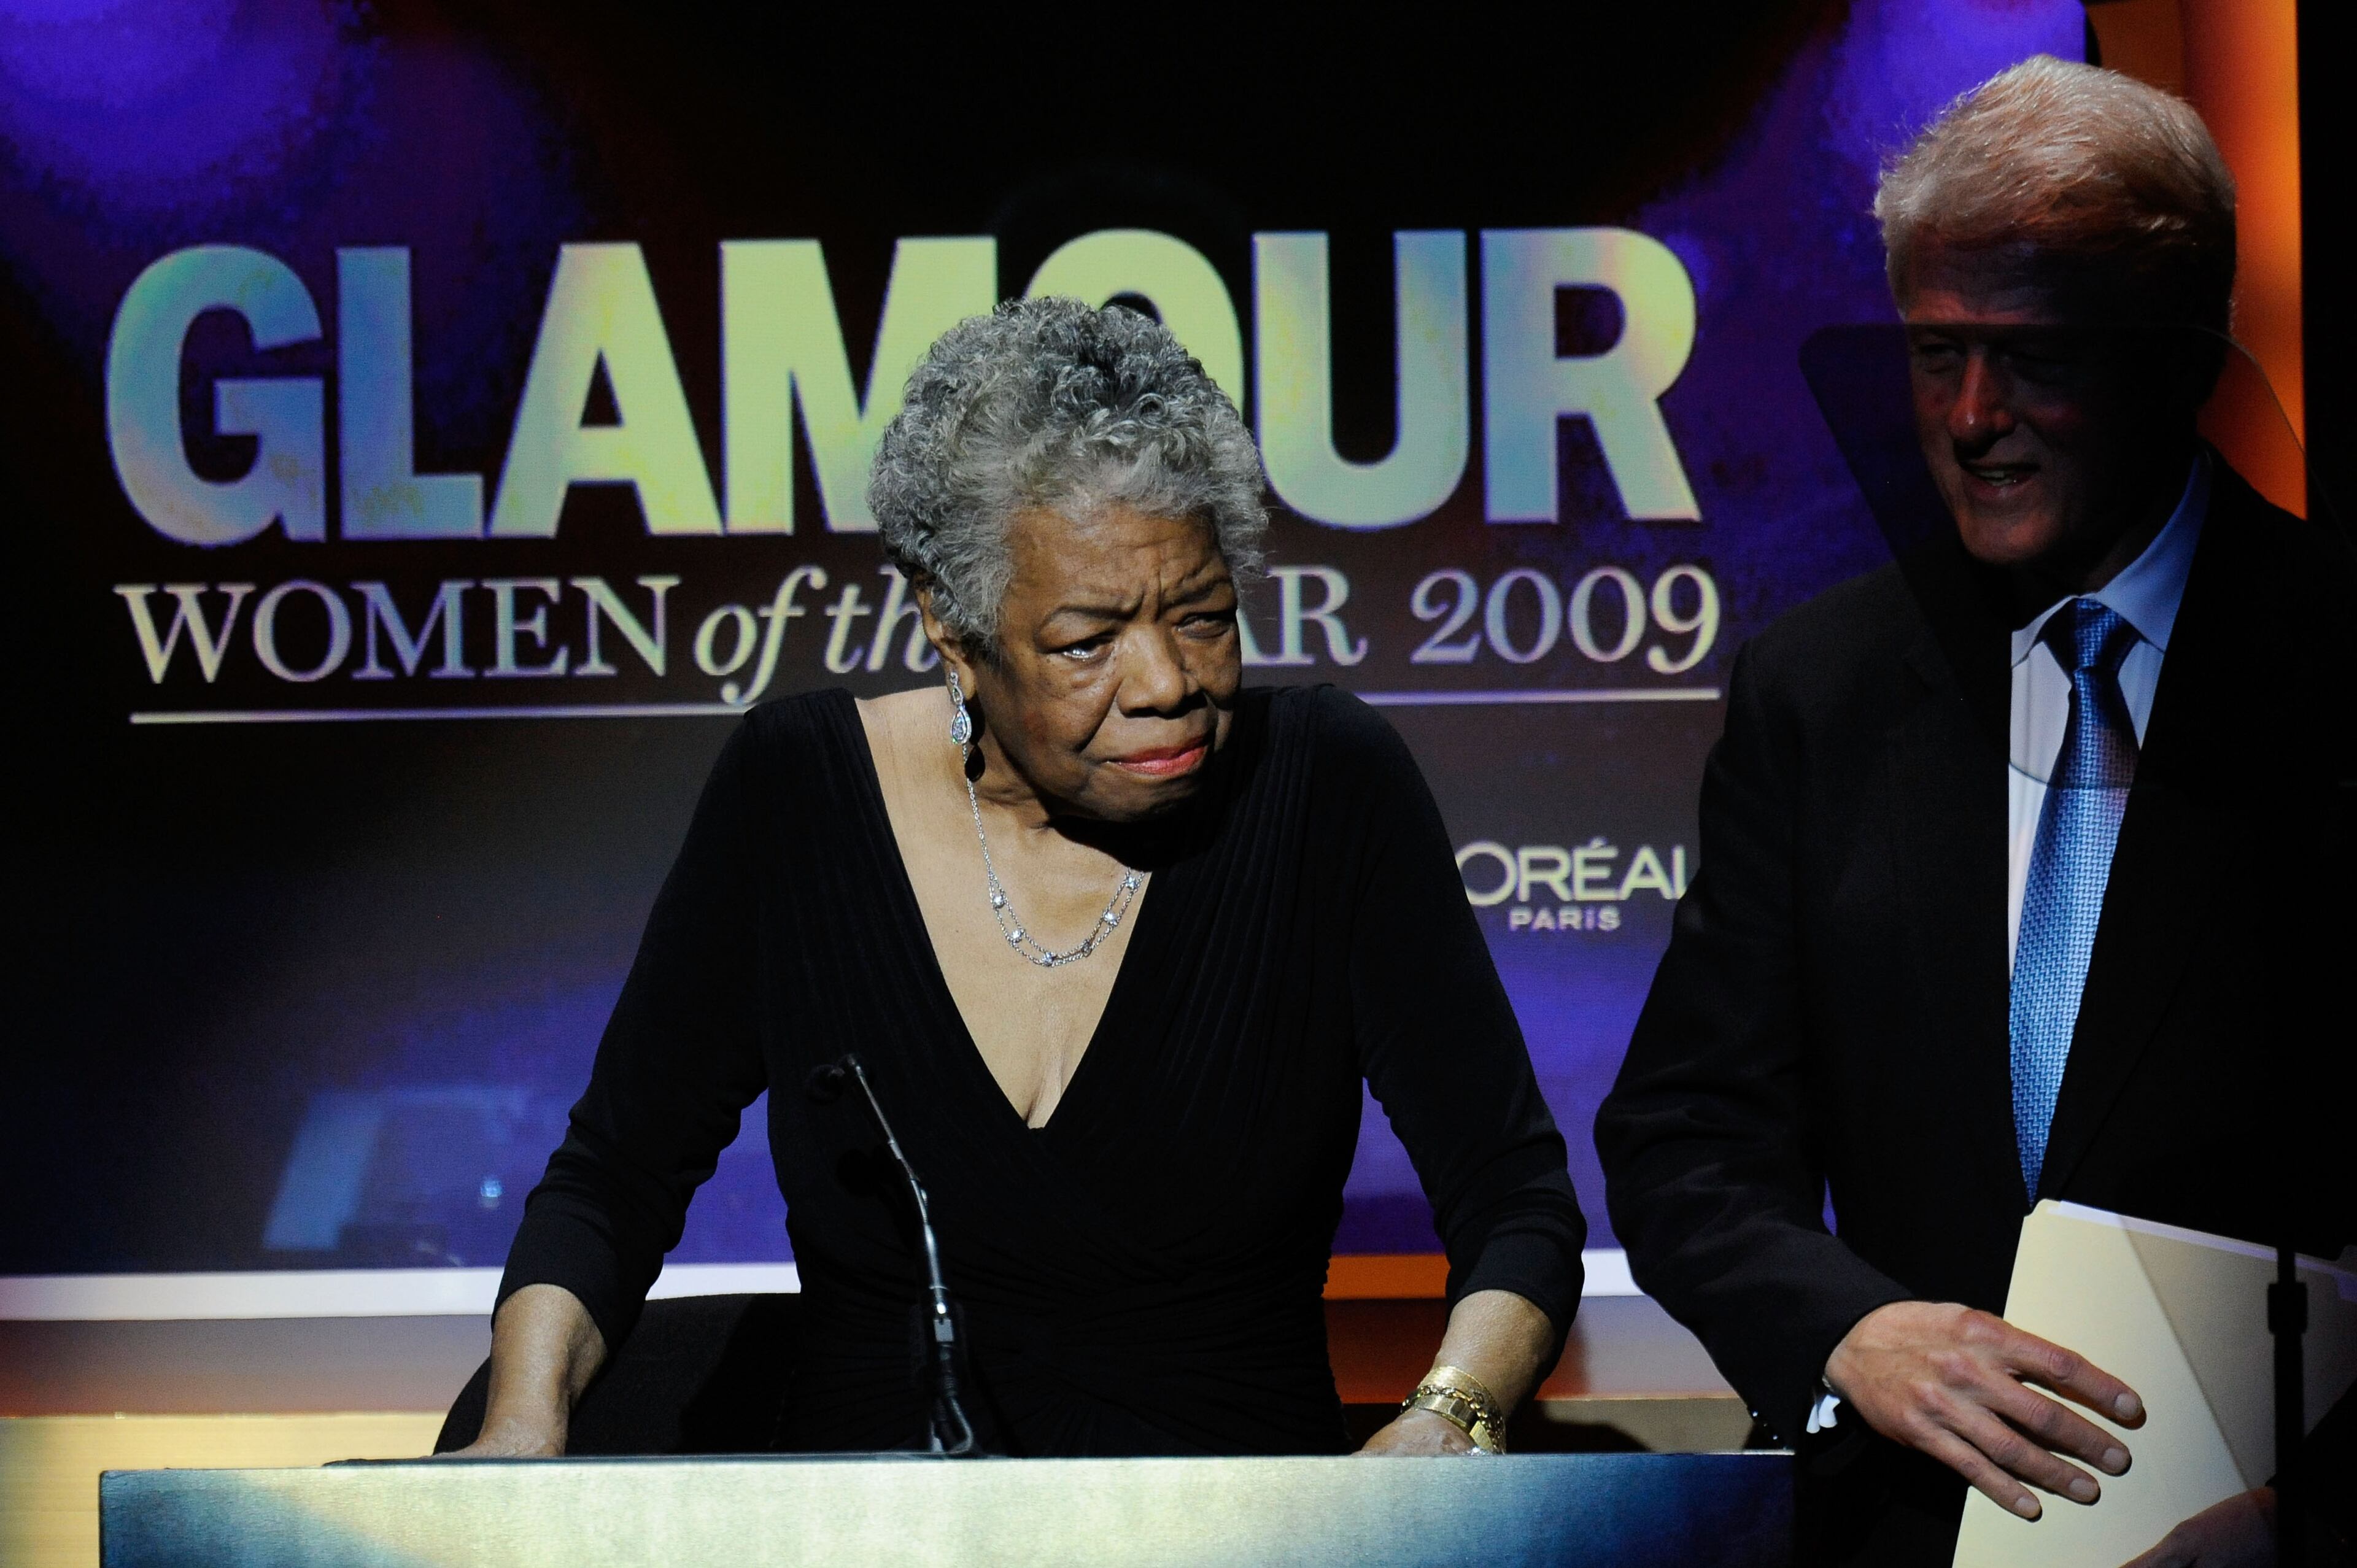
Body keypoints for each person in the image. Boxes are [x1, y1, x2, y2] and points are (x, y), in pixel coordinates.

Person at [454, 298, 1587, 1461]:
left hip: (1239, 1537)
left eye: (1202, 617)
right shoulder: (794, 793)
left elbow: (1518, 1204)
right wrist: (519, 1435)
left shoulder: (1326, 789)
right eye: (1088, 641)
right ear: (952, 626)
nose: (1165, 682)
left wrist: (1451, 1416)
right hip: (875, 1542)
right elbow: (612, 1183)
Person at [1595, 56, 2354, 1567]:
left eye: (2035, 357)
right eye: (1935, 354)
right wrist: (1854, 1330)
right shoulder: (1821, 690)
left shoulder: (2331, 665)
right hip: (1902, 1534)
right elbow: (1687, 1142)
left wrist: (2300, 1524)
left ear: (2184, 354)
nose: (1971, 415)